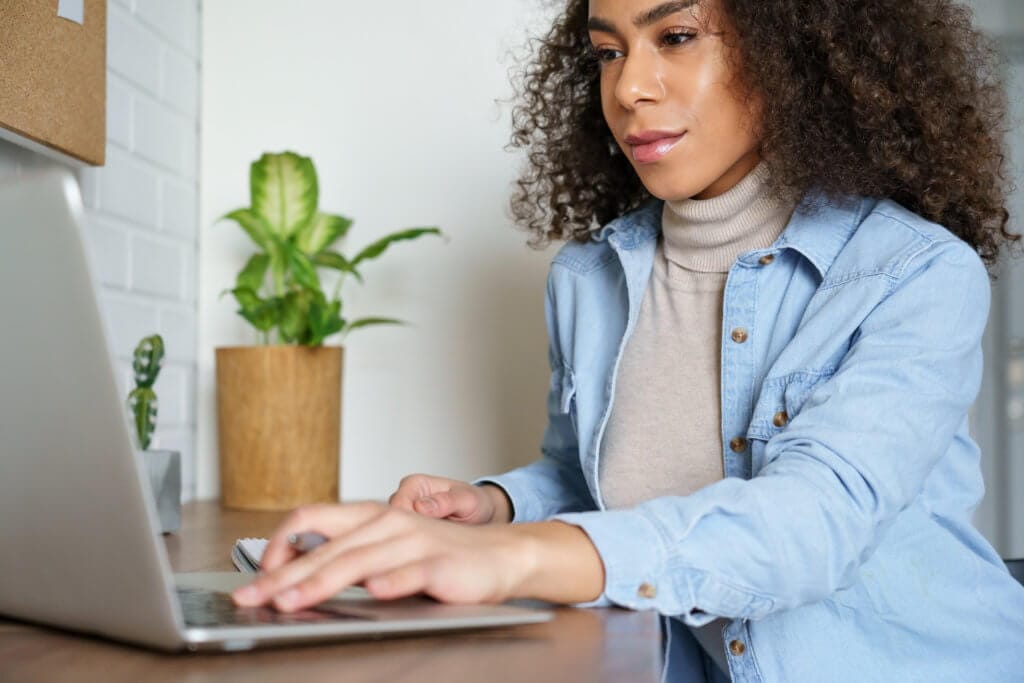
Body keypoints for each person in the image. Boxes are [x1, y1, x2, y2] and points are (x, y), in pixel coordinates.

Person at [232, 0, 1024, 680]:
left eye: (674, 37)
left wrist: (519, 557)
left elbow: (810, 525)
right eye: (608, 51)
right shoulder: (589, 277)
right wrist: (496, 507)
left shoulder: (912, 274)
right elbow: (590, 477)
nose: (629, 87)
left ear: (793, 50)